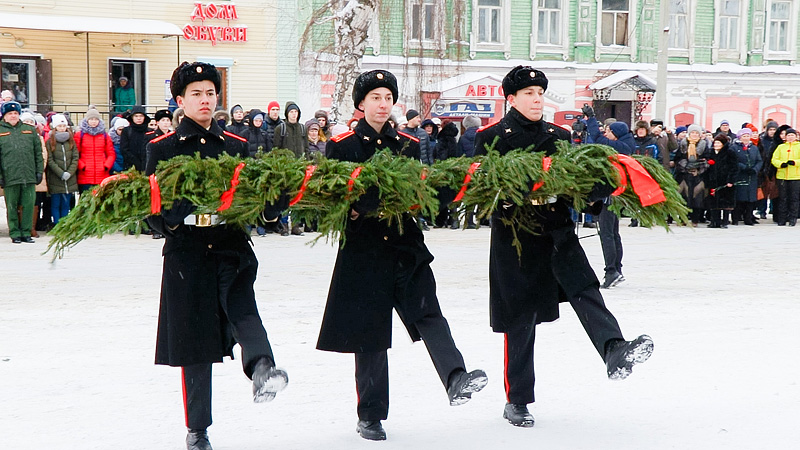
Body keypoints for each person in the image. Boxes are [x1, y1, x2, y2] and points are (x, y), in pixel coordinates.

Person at [474, 66, 653, 429]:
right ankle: (518, 400)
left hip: (557, 230)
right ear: (511, 98)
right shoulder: (492, 137)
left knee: (586, 289)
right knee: (521, 320)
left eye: (540, 92)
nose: (537, 98)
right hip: (516, 237)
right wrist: (512, 197)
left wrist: (594, 195)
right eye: (528, 93)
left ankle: (614, 349)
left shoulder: (558, 134)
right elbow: (480, 193)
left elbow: (573, 184)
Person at [317, 69, 488, 442]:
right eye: (375, 97)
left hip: (404, 242)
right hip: (363, 249)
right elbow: (335, 198)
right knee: (371, 335)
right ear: (361, 104)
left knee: (428, 312)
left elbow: (422, 190)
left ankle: (456, 377)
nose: (382, 104)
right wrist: (364, 203)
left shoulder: (409, 144)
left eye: (388, 97)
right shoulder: (343, 145)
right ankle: (371, 416)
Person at [145, 61, 289, 450]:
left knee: (242, 306)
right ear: (180, 100)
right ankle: (198, 429)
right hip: (187, 251)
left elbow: (253, 199)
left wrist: (272, 206)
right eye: (197, 93)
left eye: (210, 92)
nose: (205, 100)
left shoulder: (236, 145)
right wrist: (171, 218)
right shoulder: (162, 148)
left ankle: (262, 369)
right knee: (195, 341)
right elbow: (150, 210)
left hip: (229, 242)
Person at [0, 101, 43, 243]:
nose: (13, 116)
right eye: (10, 113)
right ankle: (14, 233)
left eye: (15, 113)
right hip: (9, 176)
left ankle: (26, 232)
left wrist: (39, 172)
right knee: (12, 206)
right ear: (4, 116)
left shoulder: (29, 130)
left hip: (28, 175)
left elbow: (38, 153)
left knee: (28, 205)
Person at [45, 114, 79, 225]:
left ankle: (64, 224)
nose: (62, 128)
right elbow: (50, 160)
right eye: (59, 126)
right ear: (55, 127)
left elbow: (75, 158)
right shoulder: (50, 142)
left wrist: (69, 172)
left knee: (66, 203)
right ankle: (57, 224)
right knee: (55, 203)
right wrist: (60, 173)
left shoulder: (71, 141)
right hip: (56, 178)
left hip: (70, 178)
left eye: (64, 126)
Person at [675, 124, 710, 226]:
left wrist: (698, 169)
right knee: (683, 198)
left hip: (698, 176)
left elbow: (707, 160)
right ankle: (682, 219)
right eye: (692, 133)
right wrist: (684, 165)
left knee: (697, 198)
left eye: (696, 133)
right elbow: (678, 158)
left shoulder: (704, 145)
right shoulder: (683, 144)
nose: (694, 135)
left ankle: (695, 220)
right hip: (684, 175)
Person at [75, 108, 115, 193]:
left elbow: (111, 154)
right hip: (85, 176)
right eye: (91, 119)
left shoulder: (105, 135)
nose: (94, 121)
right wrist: (82, 166)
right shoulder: (80, 135)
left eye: (96, 119)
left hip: (101, 175)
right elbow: (75, 154)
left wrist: (106, 166)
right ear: (87, 120)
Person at [730, 128, 762, 226]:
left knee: (750, 199)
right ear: (740, 137)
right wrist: (744, 168)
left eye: (748, 136)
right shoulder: (734, 147)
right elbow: (733, 161)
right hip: (740, 175)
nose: (746, 138)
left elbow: (759, 160)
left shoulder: (754, 148)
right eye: (744, 136)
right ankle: (735, 218)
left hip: (752, 176)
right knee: (739, 198)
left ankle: (748, 218)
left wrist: (755, 169)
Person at [705, 134, 737, 228]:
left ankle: (725, 221)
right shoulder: (710, 152)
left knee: (725, 202)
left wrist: (731, 180)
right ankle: (714, 221)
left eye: (719, 143)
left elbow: (734, 167)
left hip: (725, 181)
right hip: (713, 181)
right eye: (715, 143)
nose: (716, 145)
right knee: (714, 202)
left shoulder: (729, 152)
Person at [771, 128, 800, 226]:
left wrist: (795, 162)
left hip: (796, 176)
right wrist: (781, 164)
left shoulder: (799, 146)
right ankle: (782, 219)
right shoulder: (781, 147)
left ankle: (793, 218)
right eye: (788, 135)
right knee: (783, 198)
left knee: (794, 198)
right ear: (785, 137)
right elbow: (774, 159)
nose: (790, 137)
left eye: (792, 135)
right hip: (782, 176)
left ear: (796, 136)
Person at [434, 121, 461, 229]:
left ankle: (442, 220)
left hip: (443, 170)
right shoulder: (453, 139)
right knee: (453, 194)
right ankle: (454, 220)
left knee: (443, 195)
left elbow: (441, 154)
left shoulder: (442, 139)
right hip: (453, 169)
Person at [757, 121, 780, 220]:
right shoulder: (762, 140)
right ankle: (762, 210)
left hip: (775, 168)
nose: (772, 132)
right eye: (770, 129)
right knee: (764, 190)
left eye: (774, 129)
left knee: (774, 191)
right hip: (764, 168)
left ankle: (773, 209)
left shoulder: (778, 141)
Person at [120, 106, 151, 172]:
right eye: (136, 116)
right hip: (130, 167)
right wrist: (135, 162)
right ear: (132, 117)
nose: (139, 118)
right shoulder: (126, 131)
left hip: (147, 165)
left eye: (141, 116)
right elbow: (124, 149)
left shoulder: (150, 132)